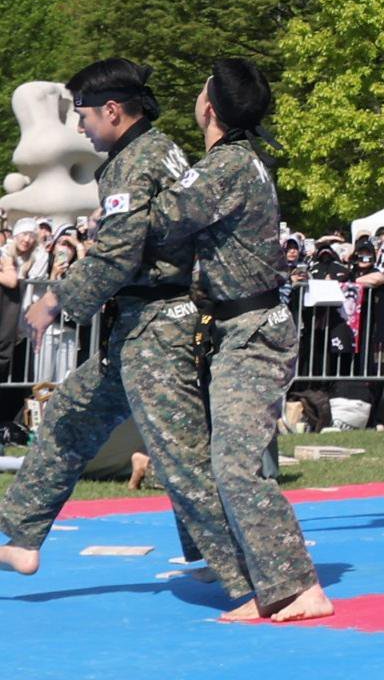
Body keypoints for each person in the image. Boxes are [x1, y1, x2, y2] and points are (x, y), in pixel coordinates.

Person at [0, 60, 253, 608]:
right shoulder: (152, 152)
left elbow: (118, 253)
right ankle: (21, 534)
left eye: (85, 116)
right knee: (71, 415)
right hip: (142, 327)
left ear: (113, 111)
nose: (81, 128)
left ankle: (245, 573)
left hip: (159, 329)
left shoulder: (138, 161)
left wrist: (55, 301)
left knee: (180, 454)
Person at [143, 57, 331, 623]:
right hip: (235, 328)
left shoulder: (225, 166)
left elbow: (160, 219)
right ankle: (256, 575)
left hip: (252, 332)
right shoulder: (239, 162)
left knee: (235, 465)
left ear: (209, 108)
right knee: (211, 459)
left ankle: (298, 586)